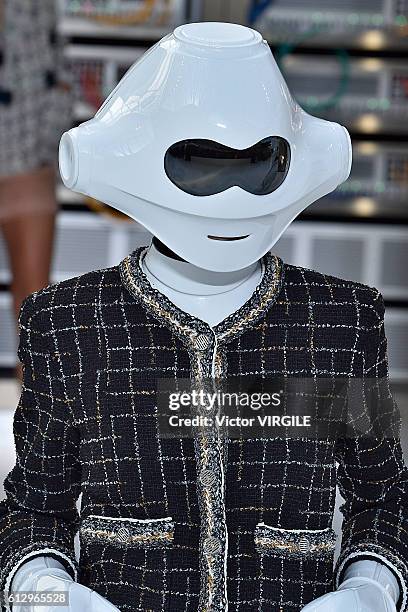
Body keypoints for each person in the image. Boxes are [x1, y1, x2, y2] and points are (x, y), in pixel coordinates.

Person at [0, 22, 406, 612]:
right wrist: (49, 597)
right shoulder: (70, 328)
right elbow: (36, 510)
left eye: (255, 165)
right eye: (203, 166)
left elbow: (384, 496)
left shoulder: (338, 327)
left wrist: (369, 592)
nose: (232, 196)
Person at [0, 0, 71, 380]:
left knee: (34, 306)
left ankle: (40, 425)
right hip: (28, 161)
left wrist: (46, 150)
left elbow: (56, 71)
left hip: (27, 169)